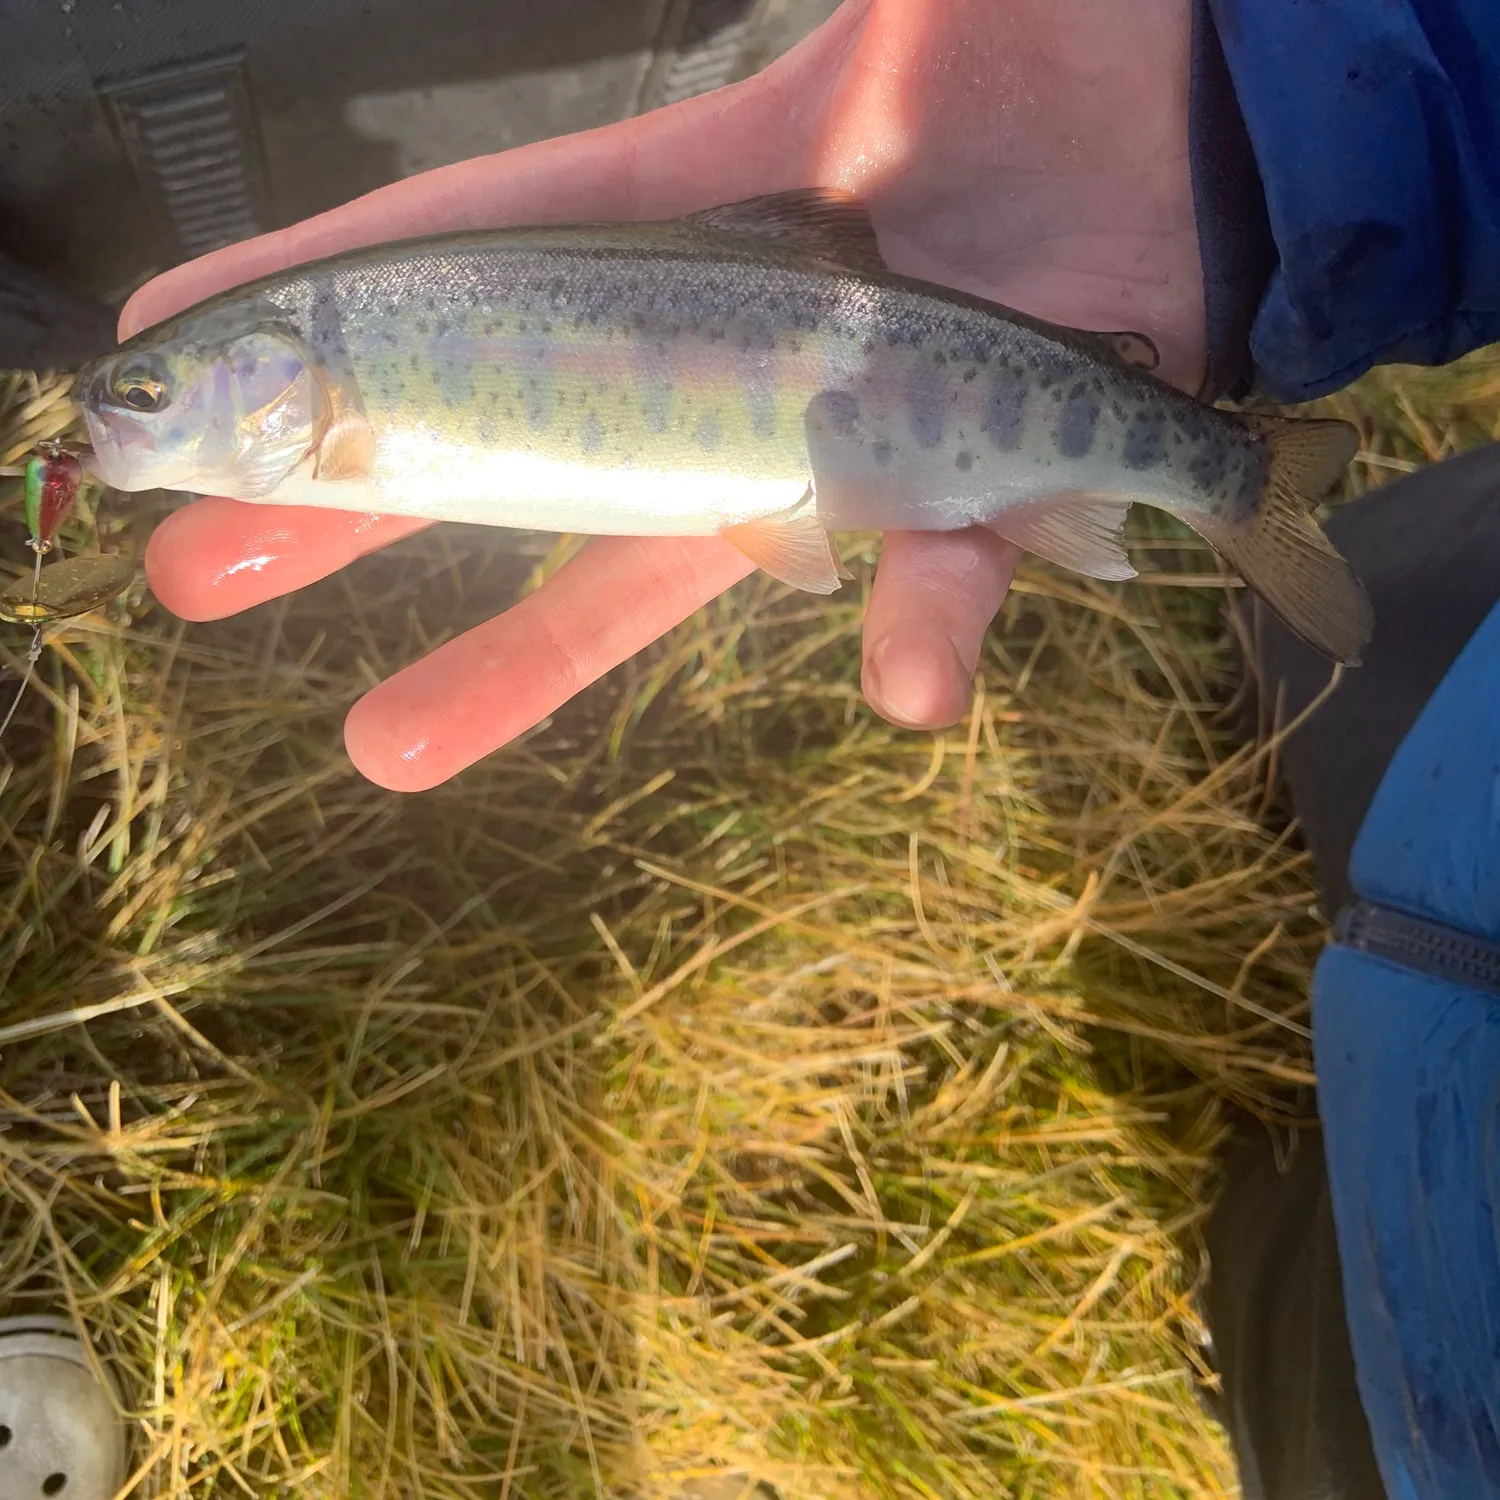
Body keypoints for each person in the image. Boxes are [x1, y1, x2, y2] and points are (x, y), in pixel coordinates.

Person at [117, 1, 1500, 1495]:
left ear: (265, 379)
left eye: (142, 402)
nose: (120, 425)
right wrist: (1226, 106)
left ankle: (1232, 486)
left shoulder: (351, 358)